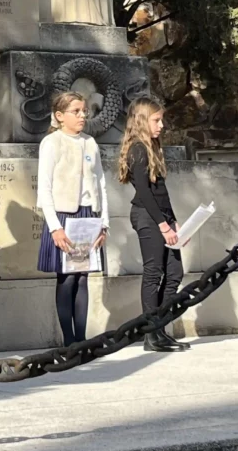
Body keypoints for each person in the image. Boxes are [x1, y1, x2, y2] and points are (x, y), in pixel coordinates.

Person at [36, 91, 109, 346]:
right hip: (63, 215)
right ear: (60, 116)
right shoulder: (52, 143)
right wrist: (55, 227)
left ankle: (81, 337)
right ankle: (68, 339)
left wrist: (104, 222)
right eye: (75, 111)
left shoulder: (90, 143)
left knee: (83, 276)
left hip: (87, 214)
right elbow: (44, 187)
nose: (82, 116)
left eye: (83, 111)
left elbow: (100, 183)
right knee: (66, 277)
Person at [119, 96, 189, 352]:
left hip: (161, 216)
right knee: (154, 273)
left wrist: (174, 221)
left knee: (174, 273)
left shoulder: (152, 147)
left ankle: (160, 328)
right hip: (147, 216)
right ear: (141, 121)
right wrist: (163, 225)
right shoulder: (138, 149)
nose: (162, 125)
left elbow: (161, 191)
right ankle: (151, 334)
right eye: (156, 120)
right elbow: (145, 193)